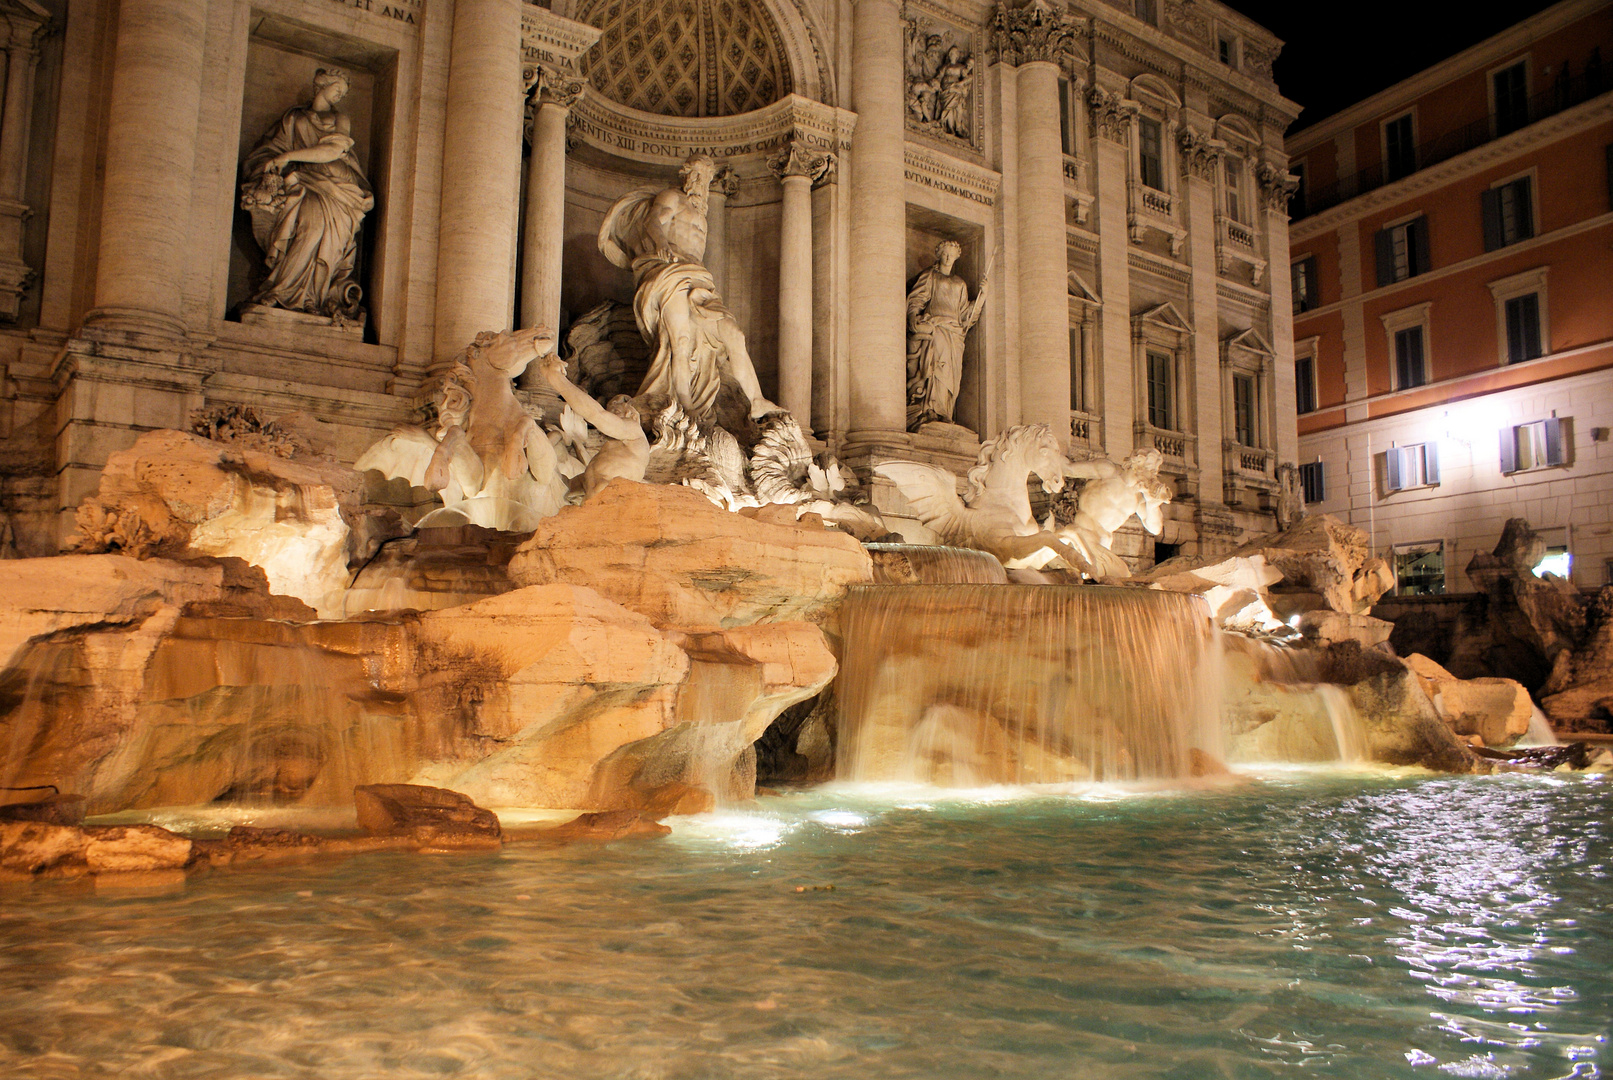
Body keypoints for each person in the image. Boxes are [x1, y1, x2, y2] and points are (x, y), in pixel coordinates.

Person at [598, 153, 781, 425]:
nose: (699, 182)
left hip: (698, 279)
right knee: (679, 342)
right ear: (685, 177)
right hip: (669, 271)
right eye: (695, 175)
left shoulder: (703, 215)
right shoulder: (672, 197)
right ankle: (685, 407)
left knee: (733, 334)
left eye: (705, 177)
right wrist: (661, 243)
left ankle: (755, 399)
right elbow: (653, 221)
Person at [240, 69, 375, 321]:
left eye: (343, 93)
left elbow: (333, 150)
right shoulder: (294, 118)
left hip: (338, 187)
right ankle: (282, 291)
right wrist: (273, 163)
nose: (340, 95)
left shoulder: (340, 118)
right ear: (321, 84)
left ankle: (314, 298)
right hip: (304, 181)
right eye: (337, 89)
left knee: (330, 241)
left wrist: (288, 156)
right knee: (311, 228)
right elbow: (270, 148)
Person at [538, 352, 650, 498]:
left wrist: (556, 378)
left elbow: (597, 415)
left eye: (616, 411)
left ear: (633, 415)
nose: (611, 416)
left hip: (613, 503)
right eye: (610, 411)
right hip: (595, 504)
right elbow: (575, 485)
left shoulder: (634, 430)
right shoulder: (612, 453)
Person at [905, 240, 987, 430]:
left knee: (951, 373)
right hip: (937, 327)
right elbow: (917, 299)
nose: (948, 257)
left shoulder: (960, 283)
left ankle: (945, 412)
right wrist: (913, 316)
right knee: (937, 368)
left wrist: (982, 296)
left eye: (951, 254)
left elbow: (965, 315)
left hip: (955, 333)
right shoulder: (930, 276)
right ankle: (931, 409)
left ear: (957, 257)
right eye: (945, 254)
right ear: (939, 255)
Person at [937, 47, 973, 139]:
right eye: (952, 53)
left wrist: (961, 83)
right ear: (949, 55)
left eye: (955, 53)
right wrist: (937, 85)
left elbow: (968, 77)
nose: (953, 55)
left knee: (958, 107)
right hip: (947, 87)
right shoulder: (945, 66)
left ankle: (956, 127)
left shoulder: (960, 67)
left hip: (956, 87)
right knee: (951, 105)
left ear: (957, 56)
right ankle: (948, 126)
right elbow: (939, 77)